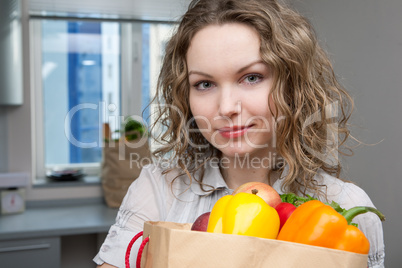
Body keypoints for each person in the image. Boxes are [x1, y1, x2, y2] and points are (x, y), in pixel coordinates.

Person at [94, 0, 385, 267]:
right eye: (204, 84)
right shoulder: (158, 189)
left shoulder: (347, 207)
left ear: (292, 85)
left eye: (251, 77)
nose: (226, 108)